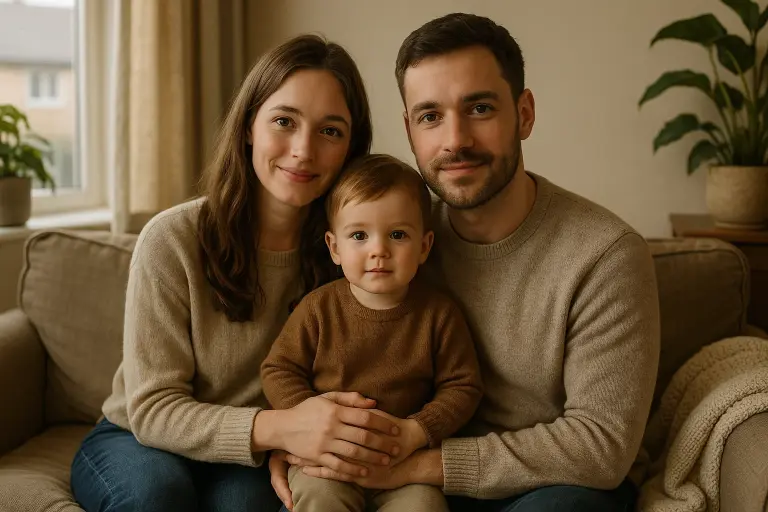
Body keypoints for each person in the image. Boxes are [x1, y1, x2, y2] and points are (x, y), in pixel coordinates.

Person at [270, 13, 661, 512]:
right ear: (410, 130)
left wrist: (408, 466)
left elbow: (601, 447)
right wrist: (300, 440)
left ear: (524, 113)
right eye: (430, 116)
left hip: (546, 485)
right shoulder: (389, 238)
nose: (455, 140)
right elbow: (305, 363)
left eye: (478, 108)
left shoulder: (604, 255)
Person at [69, 34, 413, 511]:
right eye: (284, 122)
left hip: (251, 452)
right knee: (155, 496)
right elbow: (152, 409)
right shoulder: (171, 239)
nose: (303, 150)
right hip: (139, 437)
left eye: (330, 131)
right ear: (250, 125)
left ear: (352, 147)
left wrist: (289, 446)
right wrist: (280, 430)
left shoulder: (357, 253)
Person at [260, 153, 483, 512]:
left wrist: (417, 430)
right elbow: (278, 369)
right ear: (335, 248)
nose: (378, 250)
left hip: (404, 463)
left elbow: (463, 386)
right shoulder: (318, 309)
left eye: (397, 235)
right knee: (318, 499)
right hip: (327, 462)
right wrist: (308, 417)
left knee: (424, 508)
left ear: (424, 247)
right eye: (359, 235)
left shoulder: (438, 314)